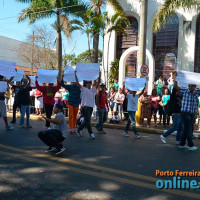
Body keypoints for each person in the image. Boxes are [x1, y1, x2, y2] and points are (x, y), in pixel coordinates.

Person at [75, 71, 101, 139]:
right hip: (86, 107)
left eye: (90, 83)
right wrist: (75, 74)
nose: (89, 84)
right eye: (88, 83)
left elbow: (98, 82)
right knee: (88, 121)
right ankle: (91, 133)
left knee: (86, 120)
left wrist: (99, 74)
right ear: (86, 84)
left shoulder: (93, 90)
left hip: (91, 107)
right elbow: (77, 83)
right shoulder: (83, 89)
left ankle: (79, 129)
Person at [179, 84, 200, 151]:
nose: (191, 87)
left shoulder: (196, 92)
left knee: (186, 128)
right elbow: (176, 88)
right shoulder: (184, 91)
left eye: (193, 86)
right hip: (185, 112)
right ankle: (191, 145)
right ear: (188, 86)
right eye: (190, 86)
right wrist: (174, 77)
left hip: (192, 113)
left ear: (195, 87)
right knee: (189, 128)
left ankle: (182, 144)